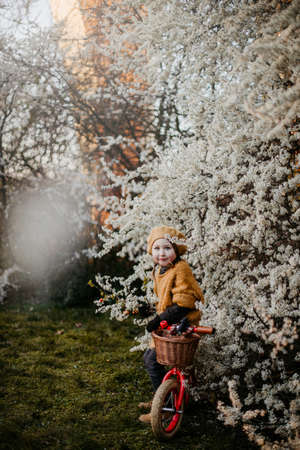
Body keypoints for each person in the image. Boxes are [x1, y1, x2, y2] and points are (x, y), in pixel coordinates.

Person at [139, 225, 205, 424]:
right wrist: (149, 310)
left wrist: (160, 320)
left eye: (167, 248)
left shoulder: (181, 269)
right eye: (157, 248)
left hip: (182, 324)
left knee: (152, 359)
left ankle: (165, 406)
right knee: (155, 360)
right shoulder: (160, 270)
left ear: (176, 251)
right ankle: (163, 397)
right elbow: (166, 300)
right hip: (170, 323)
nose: (161, 253)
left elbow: (183, 304)